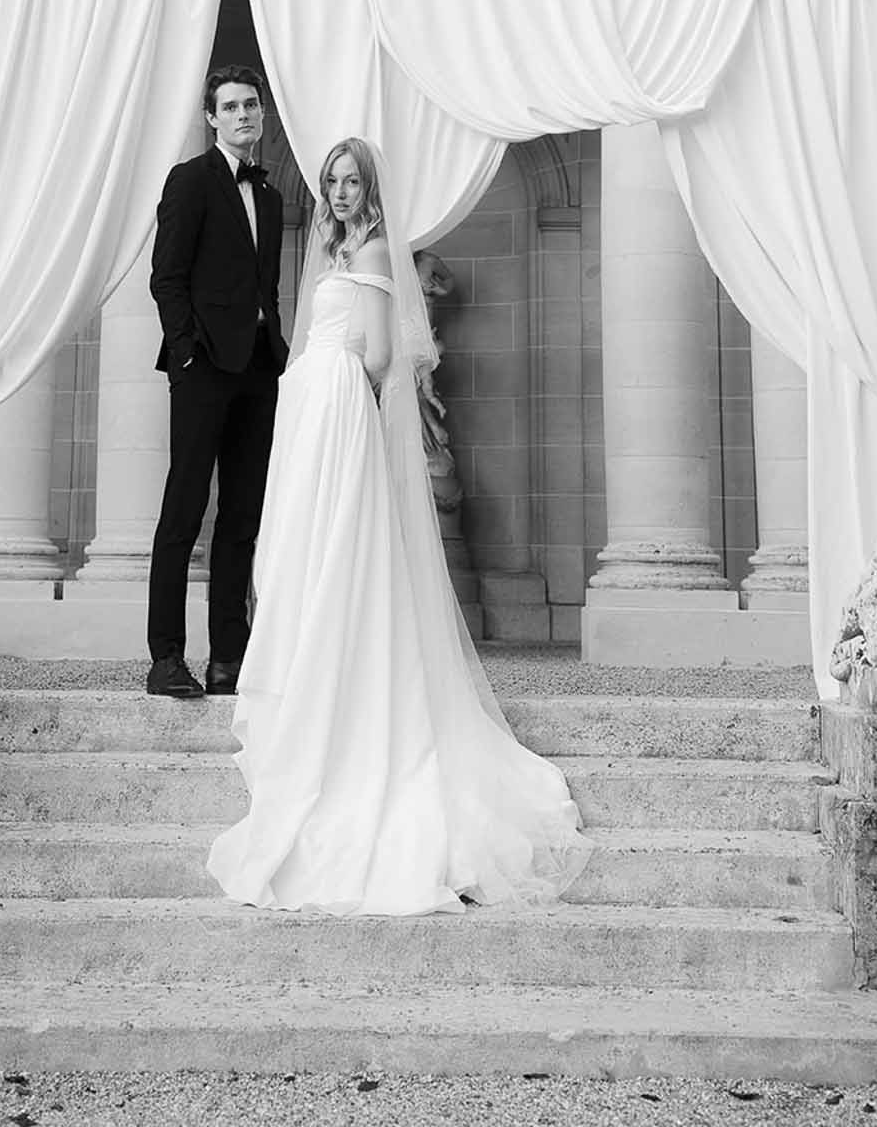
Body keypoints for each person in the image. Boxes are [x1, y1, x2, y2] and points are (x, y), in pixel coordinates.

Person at [207, 135, 593, 914]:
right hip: (311, 405)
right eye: (332, 182)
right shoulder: (333, 246)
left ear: (370, 189)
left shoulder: (378, 249)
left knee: (342, 545)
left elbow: (383, 355)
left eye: (352, 182)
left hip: (342, 404)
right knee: (300, 550)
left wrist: (337, 389)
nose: (341, 192)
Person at [147, 66, 288, 700]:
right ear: (211, 117)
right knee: (183, 510)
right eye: (229, 107)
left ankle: (228, 656)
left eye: (251, 105)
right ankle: (166, 657)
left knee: (242, 516)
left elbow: (264, 288)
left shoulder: (274, 195)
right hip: (202, 370)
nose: (242, 115)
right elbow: (166, 276)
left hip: (258, 371)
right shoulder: (191, 180)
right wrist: (185, 356)